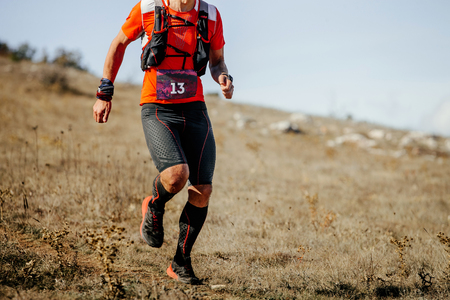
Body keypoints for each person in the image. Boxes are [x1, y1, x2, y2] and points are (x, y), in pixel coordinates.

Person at [92, 0, 233, 285]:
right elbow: (119, 44)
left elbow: (217, 61)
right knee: (176, 177)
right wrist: (105, 92)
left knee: (202, 189)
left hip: (194, 109)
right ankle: (155, 205)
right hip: (158, 107)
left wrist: (224, 78)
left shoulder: (210, 14)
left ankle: (180, 263)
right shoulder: (147, 8)